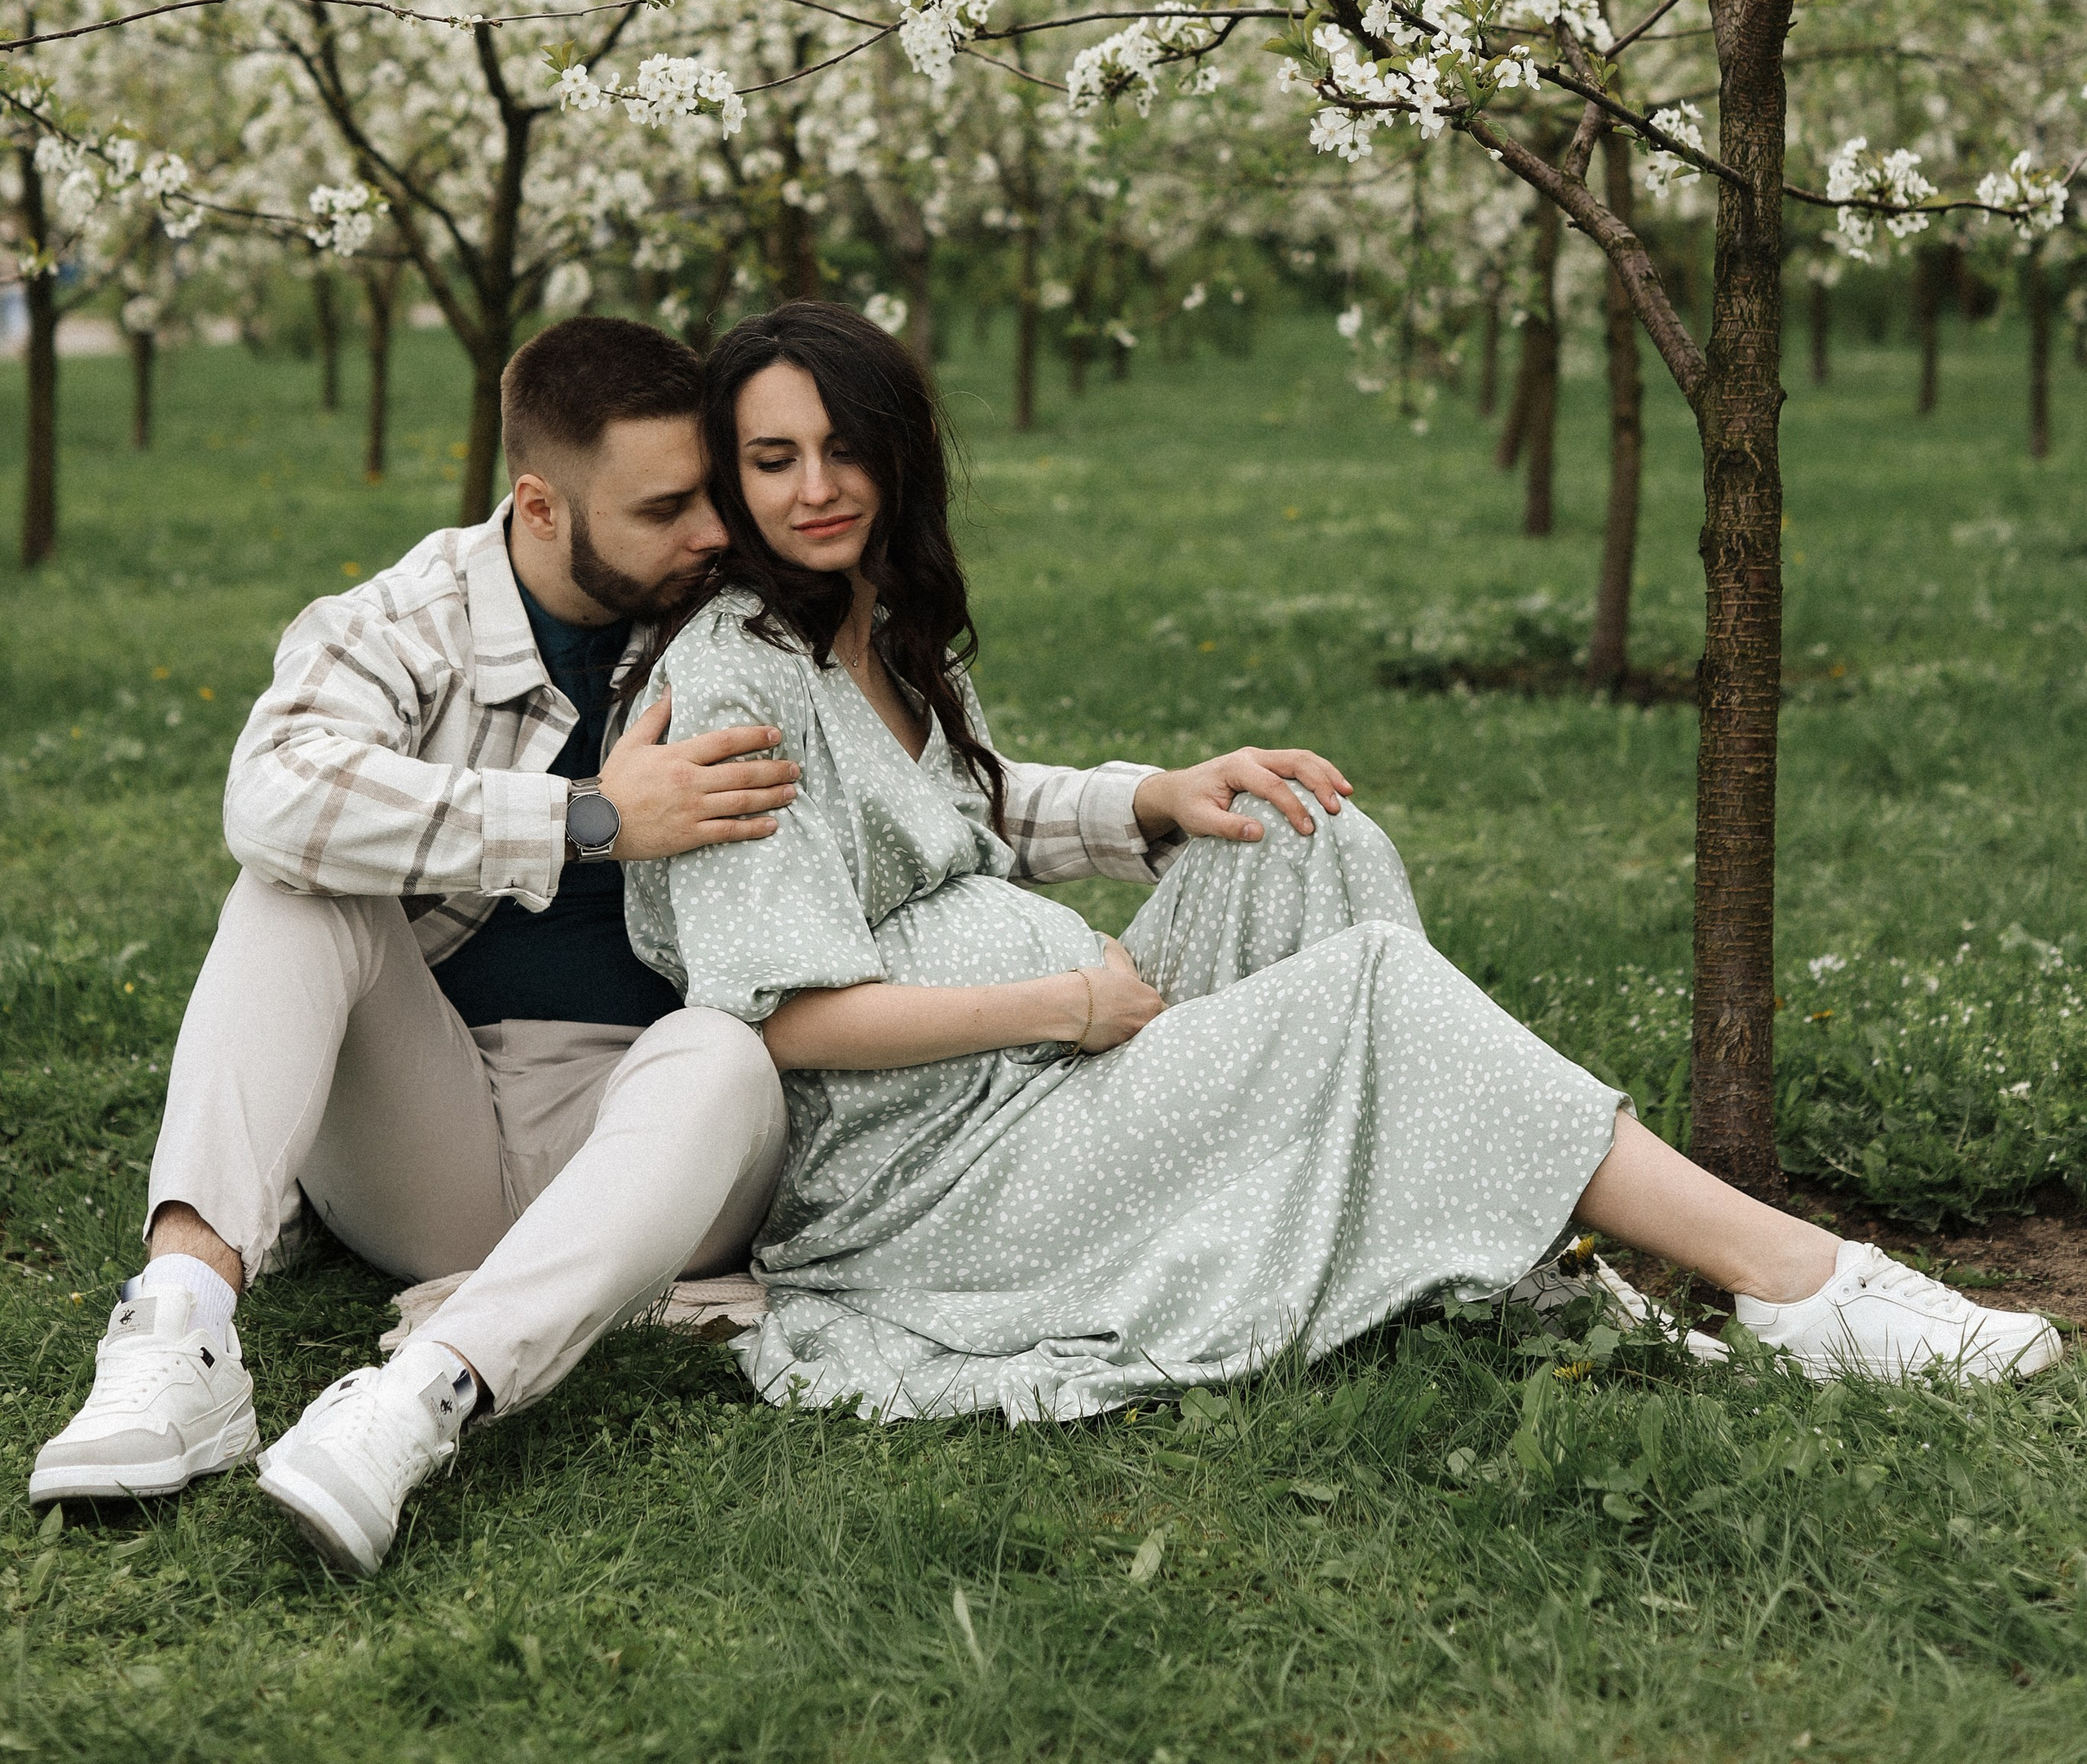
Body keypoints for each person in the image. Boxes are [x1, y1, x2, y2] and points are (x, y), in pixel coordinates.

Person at [625, 302, 2063, 1422]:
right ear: (731, 479)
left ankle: (1512, 1258)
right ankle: (1796, 1282)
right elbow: (790, 1013)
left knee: (1306, 835)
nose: (818, 487)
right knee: (1369, 984)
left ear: (895, 451)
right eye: (772, 460)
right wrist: (1062, 1006)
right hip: (931, 1179)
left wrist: (1171, 796)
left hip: (1037, 1075)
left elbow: (963, 824)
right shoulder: (736, 681)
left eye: (844, 448)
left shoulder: (877, 622)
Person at [29, 314, 1254, 1571]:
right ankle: (177, 1334)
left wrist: (1143, 801)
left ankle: (423, 1401)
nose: (715, 536)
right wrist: (592, 820)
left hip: (668, 1133)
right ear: (542, 507)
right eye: (667, 509)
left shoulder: (733, 626)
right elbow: (270, 793)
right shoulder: (410, 622)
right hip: (433, 1131)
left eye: (713, 496)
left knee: (722, 1047)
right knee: (292, 886)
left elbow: (908, 802)